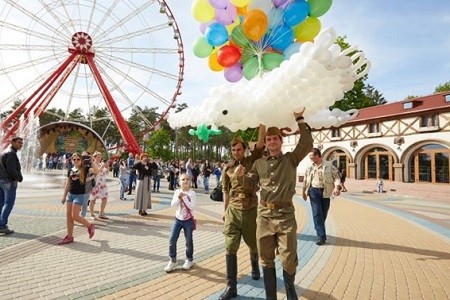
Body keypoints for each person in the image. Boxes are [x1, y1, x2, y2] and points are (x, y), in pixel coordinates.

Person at [237, 111, 313, 300]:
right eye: (268, 139)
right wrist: (240, 176)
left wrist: (300, 119)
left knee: (288, 259)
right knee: (266, 258)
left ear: (281, 141)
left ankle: (290, 290)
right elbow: (250, 185)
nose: (271, 142)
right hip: (264, 216)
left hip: (285, 215)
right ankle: (271, 297)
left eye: (274, 139)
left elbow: (306, 144)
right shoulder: (259, 164)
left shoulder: (290, 160)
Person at [219, 125, 265, 300]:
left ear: (245, 150)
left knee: (253, 243)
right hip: (233, 210)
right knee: (230, 247)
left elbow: (260, 143)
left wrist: (262, 123)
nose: (236, 152)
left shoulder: (252, 160)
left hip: (250, 209)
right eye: (233, 149)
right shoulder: (227, 168)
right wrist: (225, 212)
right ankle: (231, 286)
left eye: (239, 149)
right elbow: (225, 191)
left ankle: (254, 265)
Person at [302, 148, 341, 247]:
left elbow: (336, 177)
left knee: (323, 213)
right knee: (317, 213)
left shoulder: (329, 166)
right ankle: (321, 236)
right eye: (309, 156)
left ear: (318, 156)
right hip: (313, 191)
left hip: (326, 191)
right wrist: (303, 192)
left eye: (312, 156)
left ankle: (319, 228)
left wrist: (337, 188)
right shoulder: (309, 168)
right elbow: (305, 181)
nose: (310, 158)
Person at [58, 152, 99, 245]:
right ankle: (69, 236)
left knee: (75, 216)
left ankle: (90, 226)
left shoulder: (85, 169)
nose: (76, 161)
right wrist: (64, 195)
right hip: (70, 195)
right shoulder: (70, 170)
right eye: (74, 159)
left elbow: (96, 171)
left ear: (81, 160)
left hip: (79, 195)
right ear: (72, 160)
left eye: (78, 159)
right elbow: (68, 184)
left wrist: (92, 160)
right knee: (69, 216)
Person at [164, 173, 196, 273]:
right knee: (172, 239)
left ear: (190, 182)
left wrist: (185, 198)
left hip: (188, 221)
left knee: (188, 241)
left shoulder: (192, 193)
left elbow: (192, 207)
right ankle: (173, 260)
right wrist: (179, 197)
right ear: (179, 182)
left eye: (187, 179)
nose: (185, 181)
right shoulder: (177, 191)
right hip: (178, 219)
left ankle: (189, 260)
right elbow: (172, 204)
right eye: (183, 179)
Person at [0, 137, 24, 235]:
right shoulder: (11, 153)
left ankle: (1, 224)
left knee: (1, 203)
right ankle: (2, 226)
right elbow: (11, 169)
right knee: (8, 203)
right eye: (19, 142)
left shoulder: (4, 151)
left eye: (22, 143)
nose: (21, 144)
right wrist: (19, 177)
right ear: (12, 142)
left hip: (1, 180)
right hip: (9, 182)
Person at [89, 151, 110, 220]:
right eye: (98, 157)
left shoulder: (101, 164)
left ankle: (101, 213)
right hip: (95, 184)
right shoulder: (92, 165)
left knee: (105, 198)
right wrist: (102, 166)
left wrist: (107, 167)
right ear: (94, 157)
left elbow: (106, 173)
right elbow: (96, 172)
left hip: (102, 185)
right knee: (93, 200)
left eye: (100, 157)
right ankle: (92, 214)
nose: (99, 158)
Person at [80, 151, 96, 218]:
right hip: (78, 187)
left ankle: (82, 217)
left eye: (86, 156)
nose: (85, 158)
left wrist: (92, 160)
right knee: (78, 203)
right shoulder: (78, 164)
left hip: (87, 187)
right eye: (83, 156)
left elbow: (96, 171)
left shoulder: (91, 165)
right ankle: (76, 216)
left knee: (85, 203)